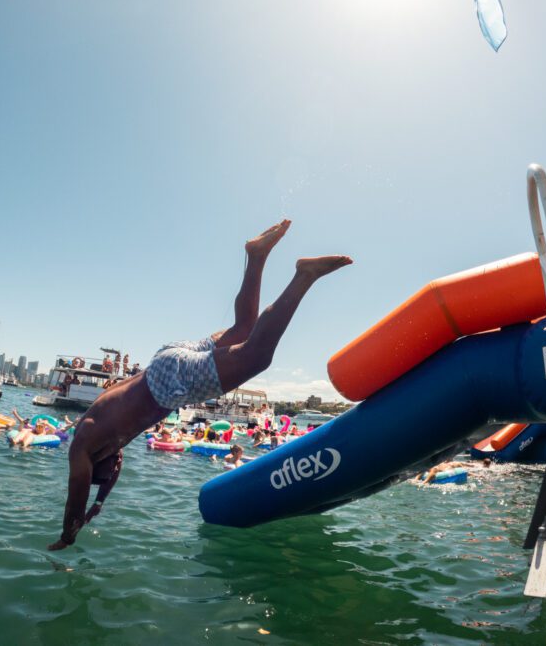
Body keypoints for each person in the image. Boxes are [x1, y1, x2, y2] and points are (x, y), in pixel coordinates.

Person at [48, 220, 352, 550]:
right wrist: (100, 504)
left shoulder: (82, 449)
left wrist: (68, 535)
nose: (113, 466)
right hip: (165, 360)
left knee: (256, 356)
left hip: (167, 383)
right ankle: (257, 254)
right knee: (246, 328)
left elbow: (75, 494)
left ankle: (303, 276)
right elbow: (104, 484)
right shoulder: (101, 436)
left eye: (104, 470)